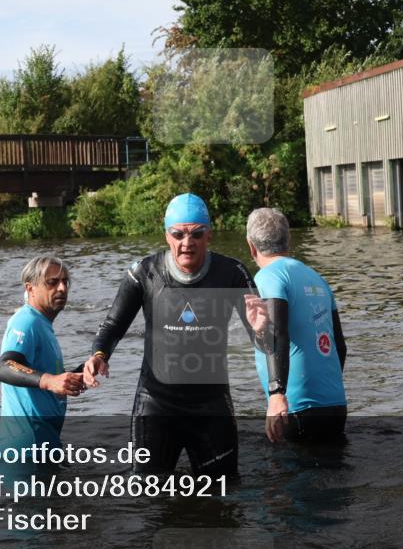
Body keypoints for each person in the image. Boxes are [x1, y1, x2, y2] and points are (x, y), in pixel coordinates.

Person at [82, 193, 266, 477]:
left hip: (211, 405)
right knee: (147, 498)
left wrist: (262, 330)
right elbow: (112, 326)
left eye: (196, 234)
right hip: (156, 403)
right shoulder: (143, 273)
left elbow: (266, 343)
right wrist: (98, 355)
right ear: (167, 235)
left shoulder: (231, 273)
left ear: (209, 235)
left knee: (223, 499)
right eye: (178, 234)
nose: (186, 243)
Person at [243, 208, 348, 444]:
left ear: (251, 246)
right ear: (288, 240)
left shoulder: (267, 277)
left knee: (287, 477)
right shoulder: (317, 278)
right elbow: (339, 347)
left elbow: (276, 334)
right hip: (335, 404)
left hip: (295, 407)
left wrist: (277, 394)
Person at [0, 257, 84, 456]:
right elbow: (5, 366)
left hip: (44, 445)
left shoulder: (42, 324)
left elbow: (45, 381)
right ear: (30, 288)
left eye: (65, 282)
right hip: (24, 450)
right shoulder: (26, 321)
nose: (62, 288)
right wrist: (50, 381)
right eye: (52, 282)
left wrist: (78, 374)